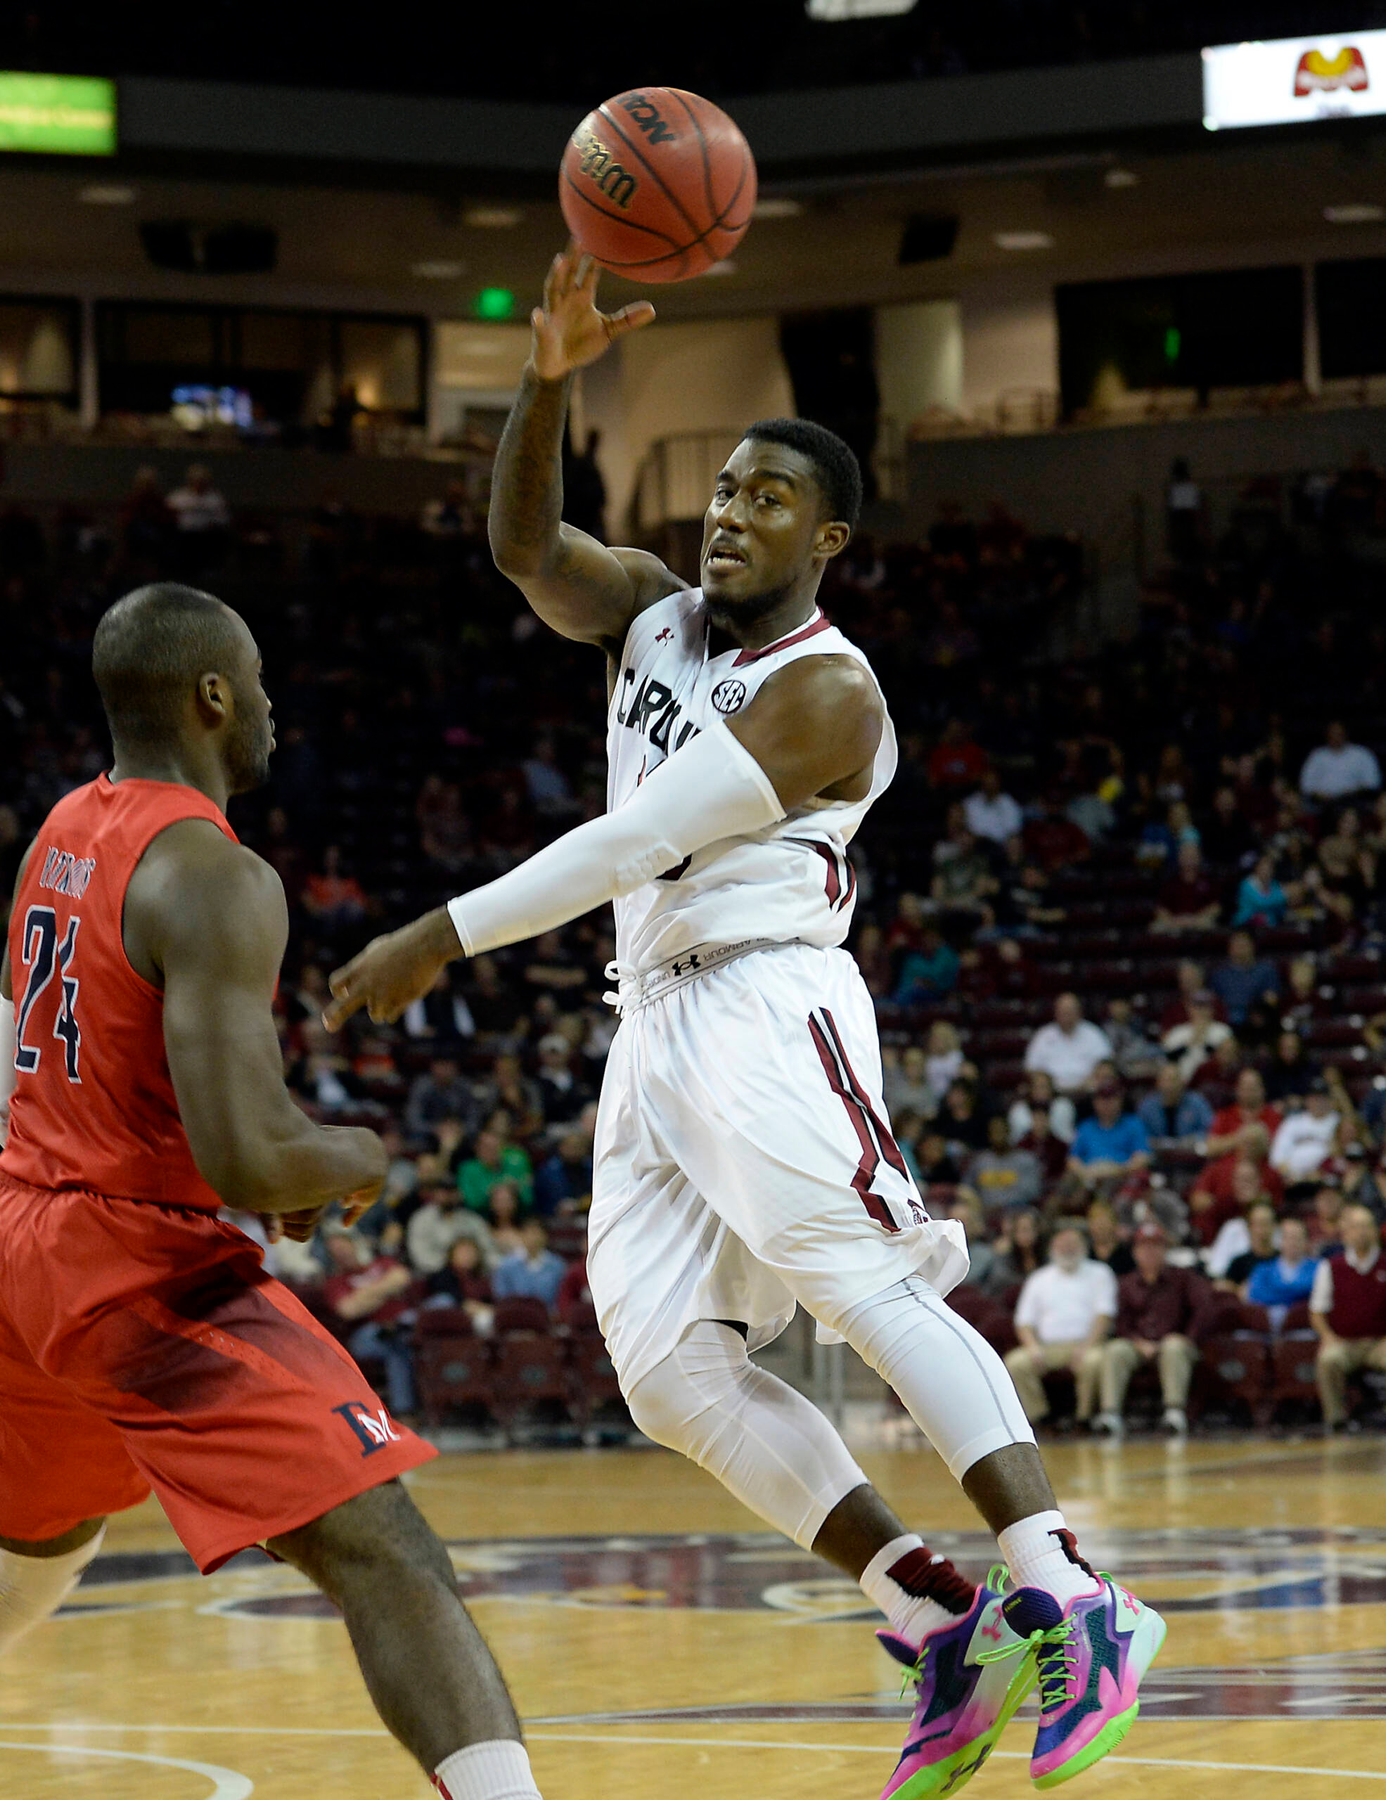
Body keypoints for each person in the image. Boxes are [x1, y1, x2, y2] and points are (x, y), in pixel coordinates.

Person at [321, 248, 1163, 1793]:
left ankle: (1067, 1586)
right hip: (649, 1021)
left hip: (768, 995)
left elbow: (639, 844)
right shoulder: (648, 613)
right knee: (661, 1368)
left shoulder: (826, 693)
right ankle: (931, 1603)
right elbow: (523, 547)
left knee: (857, 1279)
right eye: (719, 487)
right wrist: (549, 375)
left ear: (828, 536)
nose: (727, 511)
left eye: (767, 496)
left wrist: (439, 931)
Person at [0, 583, 536, 1800]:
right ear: (213, 698)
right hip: (126, 1266)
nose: (276, 709)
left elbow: (108, 1069)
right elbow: (248, 1157)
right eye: (262, 683)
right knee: (388, 1551)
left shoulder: (60, 832)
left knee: (38, 1544)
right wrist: (356, 1157)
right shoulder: (218, 875)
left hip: (21, 1238)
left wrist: (253, 1164)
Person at [1091, 1223, 1212, 1438]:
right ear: (1135, 1252)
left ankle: (1174, 1412)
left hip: (1174, 1342)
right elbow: (1120, 1322)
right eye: (1144, 1247)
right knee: (1114, 1351)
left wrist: (1188, 1338)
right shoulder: (1126, 1283)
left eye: (1155, 1247)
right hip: (1138, 1344)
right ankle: (1110, 1414)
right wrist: (1138, 1342)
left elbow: (1203, 1310)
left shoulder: (1183, 1278)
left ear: (1165, 1250)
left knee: (1173, 1348)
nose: (1150, 1252)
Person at [1004, 1223, 1116, 1429]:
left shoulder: (1100, 1272)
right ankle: (1040, 1420)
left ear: (1084, 1246)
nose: (1068, 1248)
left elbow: (1104, 1315)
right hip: (1048, 1347)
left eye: (1073, 1243)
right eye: (1062, 1244)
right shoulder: (1039, 1278)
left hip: (1088, 1344)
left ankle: (1084, 1419)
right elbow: (1023, 1322)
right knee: (1016, 1363)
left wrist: (1087, 1346)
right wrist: (1032, 1347)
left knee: (1094, 1361)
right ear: (1052, 1247)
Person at [323, 1223, 419, 1420]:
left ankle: (409, 1409)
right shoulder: (335, 1282)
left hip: (402, 1324)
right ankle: (404, 1412)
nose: (341, 1253)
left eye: (343, 1246)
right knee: (394, 1347)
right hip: (366, 1335)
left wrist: (364, 1295)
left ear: (353, 1244)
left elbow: (402, 1278)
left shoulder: (381, 1263)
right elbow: (348, 1310)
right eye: (335, 1250)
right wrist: (386, 1291)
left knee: (408, 1335)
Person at [1311, 1204, 1386, 1431]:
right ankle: (1336, 1419)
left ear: (1375, 1231)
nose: (1361, 1232)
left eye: (1366, 1226)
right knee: (1327, 1359)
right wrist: (1327, 1336)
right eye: (1356, 1227)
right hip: (1345, 1341)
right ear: (1346, 1232)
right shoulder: (1331, 1266)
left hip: (1380, 1342)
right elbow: (1317, 1311)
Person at [1065, 1081, 1152, 1194]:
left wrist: (1117, 1170)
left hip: (1122, 1176)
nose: (1107, 1103)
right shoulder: (1085, 1127)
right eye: (1102, 1099)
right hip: (1089, 1176)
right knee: (1068, 1185)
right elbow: (1072, 1159)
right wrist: (1086, 1172)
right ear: (1094, 1102)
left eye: (1111, 1098)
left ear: (1120, 1100)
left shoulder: (1134, 1124)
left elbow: (1143, 1157)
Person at [1024, 992, 1113, 1095]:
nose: (1067, 1016)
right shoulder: (1043, 1036)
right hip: (1053, 1095)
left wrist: (1090, 1083)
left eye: (1071, 1011)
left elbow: (1107, 1065)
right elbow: (1031, 1069)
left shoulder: (1093, 1033)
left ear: (1079, 1012)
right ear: (1056, 1012)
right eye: (1063, 1012)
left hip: (1089, 1094)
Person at [1245, 1216, 1317, 1326]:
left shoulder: (1319, 1268)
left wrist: (1278, 1293)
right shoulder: (1263, 1270)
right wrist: (1300, 1296)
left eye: (1297, 1238)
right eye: (1288, 1237)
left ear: (1306, 1241)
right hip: (1269, 1328)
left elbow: (1318, 1297)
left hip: (1306, 1326)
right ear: (1280, 1240)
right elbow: (1256, 1296)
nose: (1293, 1243)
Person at [1270, 1079, 1340, 1188]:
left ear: (1330, 1100)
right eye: (1314, 1098)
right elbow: (1277, 1157)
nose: (1318, 1102)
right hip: (1291, 1181)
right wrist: (1292, 1175)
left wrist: (1320, 1173)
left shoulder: (1337, 1122)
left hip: (1325, 1181)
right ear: (1306, 1100)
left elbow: (1339, 1156)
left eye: (1322, 1098)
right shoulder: (1292, 1122)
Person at [1208, 931, 1279, 1033]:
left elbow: (1271, 1000)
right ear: (1230, 948)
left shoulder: (1266, 971)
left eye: (1243, 945)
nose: (1240, 949)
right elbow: (1213, 1002)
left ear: (1253, 946)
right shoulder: (1219, 974)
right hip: (1226, 1022)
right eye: (1237, 945)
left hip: (1256, 1022)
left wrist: (1260, 1013)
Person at [492, 1217, 567, 1312]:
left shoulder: (557, 1266)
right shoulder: (506, 1265)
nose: (533, 1238)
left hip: (547, 1319)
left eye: (537, 1233)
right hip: (513, 1316)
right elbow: (501, 1295)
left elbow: (560, 1298)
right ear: (521, 1235)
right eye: (529, 1233)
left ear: (545, 1236)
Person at [1205, 1068, 1281, 1159]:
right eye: (1245, 1088)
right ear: (1237, 1090)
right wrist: (1240, 1138)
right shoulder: (1224, 1115)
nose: (1249, 1092)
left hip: (1262, 1169)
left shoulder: (1274, 1116)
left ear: (1263, 1090)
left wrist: (1260, 1139)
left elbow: (1283, 1149)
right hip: (1228, 1169)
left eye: (1253, 1088)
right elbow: (1210, 1149)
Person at [1300, 720, 1382, 803]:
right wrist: (1320, 795)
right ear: (1327, 735)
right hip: (1323, 803)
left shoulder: (1362, 754)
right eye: (1332, 734)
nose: (1335, 737)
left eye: (1339, 734)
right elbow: (1306, 786)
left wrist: (1351, 792)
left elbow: (1373, 783)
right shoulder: (1317, 756)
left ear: (1346, 734)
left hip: (1354, 801)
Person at [1137, 1063, 1213, 1145]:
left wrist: (1194, 1139)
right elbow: (1139, 1134)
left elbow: (1211, 1129)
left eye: (1173, 1080)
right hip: (1156, 1153)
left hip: (1189, 1152)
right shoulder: (1148, 1106)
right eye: (1165, 1080)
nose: (1169, 1086)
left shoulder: (1197, 1102)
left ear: (1183, 1082)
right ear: (1158, 1083)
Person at [1216, 1199, 1279, 1293]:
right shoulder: (1238, 1264)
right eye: (1259, 1224)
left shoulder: (1283, 1260)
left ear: (1274, 1226)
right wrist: (1236, 1289)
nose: (1263, 1230)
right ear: (1249, 1227)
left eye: (1266, 1223)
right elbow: (1222, 1287)